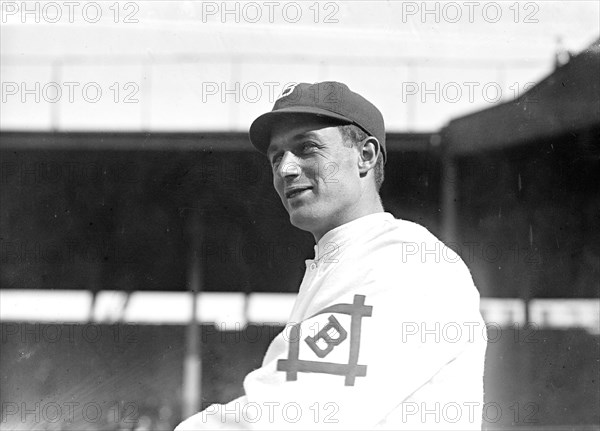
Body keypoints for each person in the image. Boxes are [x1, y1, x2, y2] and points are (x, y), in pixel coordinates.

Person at [176, 81, 487, 430]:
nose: (285, 169)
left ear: (365, 155)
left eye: (307, 147)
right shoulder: (344, 260)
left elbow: (293, 418)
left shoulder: (405, 261)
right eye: (276, 156)